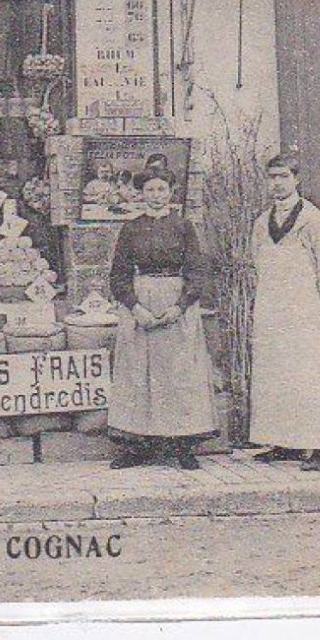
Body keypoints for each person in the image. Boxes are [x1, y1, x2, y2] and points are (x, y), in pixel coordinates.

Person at [106, 162, 217, 470]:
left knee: (178, 374)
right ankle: (137, 447)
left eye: (161, 189)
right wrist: (135, 307)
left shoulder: (183, 226)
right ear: (141, 194)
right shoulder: (131, 228)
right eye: (149, 190)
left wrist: (179, 307)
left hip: (175, 306)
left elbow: (197, 270)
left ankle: (181, 444)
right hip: (140, 305)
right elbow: (118, 275)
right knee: (138, 375)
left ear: (171, 193)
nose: (156, 195)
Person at [248, 153, 320, 472]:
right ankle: (283, 441)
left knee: (310, 374)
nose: (276, 183)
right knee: (274, 372)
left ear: (296, 179)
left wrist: (315, 307)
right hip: (271, 308)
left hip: (303, 309)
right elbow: (256, 263)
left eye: (283, 177)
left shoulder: (313, 220)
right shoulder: (262, 222)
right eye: (272, 177)